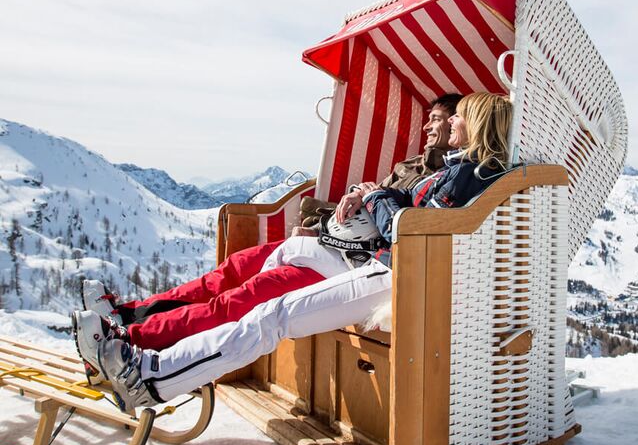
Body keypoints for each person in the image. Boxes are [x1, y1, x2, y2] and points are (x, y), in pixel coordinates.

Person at [77, 92, 512, 410]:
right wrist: (349, 209)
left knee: (265, 311)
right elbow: (406, 218)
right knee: (246, 269)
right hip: (359, 252)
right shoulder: (441, 170)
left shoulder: (467, 174)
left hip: (385, 268)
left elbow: (409, 229)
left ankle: (148, 372)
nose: (446, 123)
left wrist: (378, 198)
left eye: (454, 117)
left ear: (476, 124)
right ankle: (133, 326)